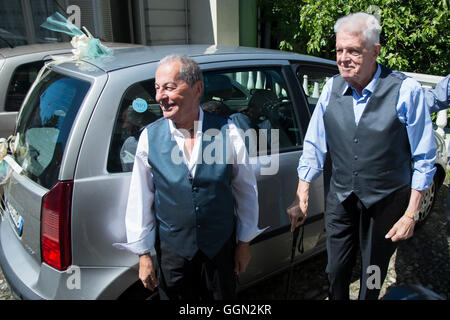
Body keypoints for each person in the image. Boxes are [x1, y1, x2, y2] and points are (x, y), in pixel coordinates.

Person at [286, 12, 436, 300]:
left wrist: (410, 213)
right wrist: (301, 193)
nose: (343, 58)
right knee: (336, 269)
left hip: (385, 201)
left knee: (373, 271)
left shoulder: (405, 91)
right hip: (341, 197)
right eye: (340, 50)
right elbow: (314, 145)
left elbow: (424, 158)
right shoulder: (332, 88)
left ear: (375, 51)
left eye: (353, 50)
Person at [114, 54, 264, 300]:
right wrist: (143, 255)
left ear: (197, 89)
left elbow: (246, 191)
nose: (161, 96)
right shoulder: (149, 138)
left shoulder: (229, 132)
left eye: (170, 87)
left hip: (219, 252)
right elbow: (140, 199)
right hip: (174, 254)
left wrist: (244, 243)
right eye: (158, 88)